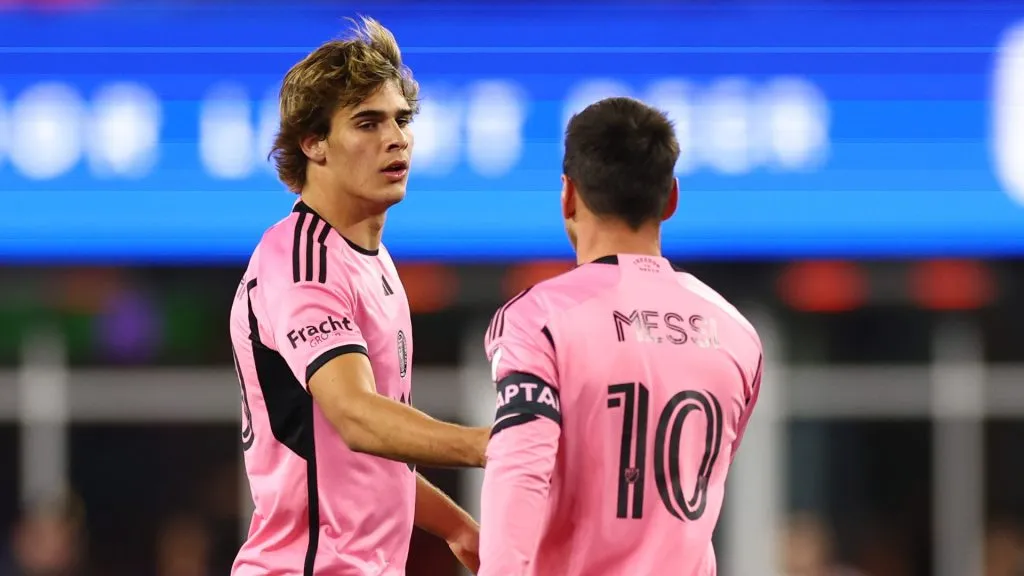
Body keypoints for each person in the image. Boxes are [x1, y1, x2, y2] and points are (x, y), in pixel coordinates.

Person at [229, 17, 486, 576]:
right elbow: (355, 417)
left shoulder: (371, 261)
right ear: (313, 143)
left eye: (402, 119)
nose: (396, 139)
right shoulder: (302, 261)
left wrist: (457, 527)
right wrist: (488, 444)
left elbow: (365, 459)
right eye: (368, 123)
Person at [477, 97, 764, 576]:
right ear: (671, 199)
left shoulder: (538, 319)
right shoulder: (737, 332)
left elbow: (520, 469)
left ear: (568, 195)